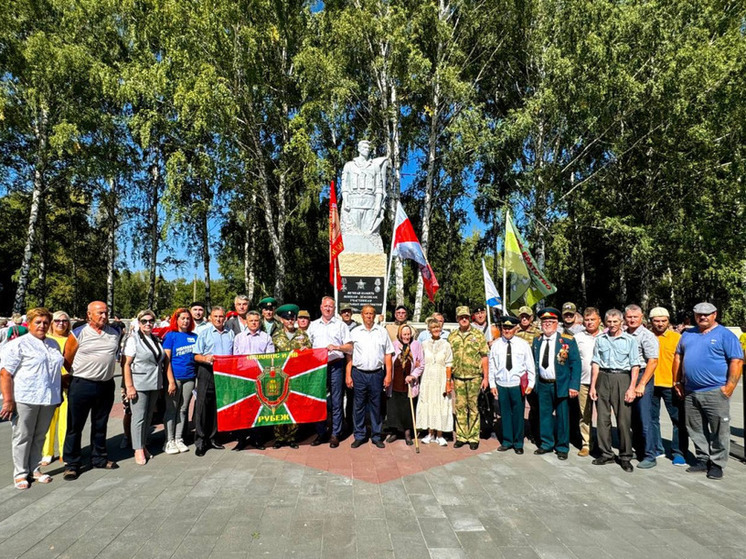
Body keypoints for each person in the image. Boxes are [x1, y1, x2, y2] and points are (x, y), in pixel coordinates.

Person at [673, 302, 743, 479]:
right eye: (699, 314)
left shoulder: (726, 336)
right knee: (695, 427)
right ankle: (703, 459)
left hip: (715, 391)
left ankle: (717, 463)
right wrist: (677, 381)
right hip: (690, 391)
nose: (702, 317)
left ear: (715, 314)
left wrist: (730, 387)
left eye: (707, 314)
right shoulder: (688, 334)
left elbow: (736, 362)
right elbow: (678, 356)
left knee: (719, 429)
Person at [0, 308, 63, 489]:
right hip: (25, 396)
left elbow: (55, 370)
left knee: (39, 435)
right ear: (29, 323)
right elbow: (5, 374)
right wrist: (8, 400)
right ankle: (20, 473)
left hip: (48, 397)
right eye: (38, 322)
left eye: (45, 322)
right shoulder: (18, 344)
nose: (42, 326)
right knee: (22, 436)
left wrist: (57, 393)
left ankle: (34, 469)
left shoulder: (53, 344)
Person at [62, 301, 121, 480]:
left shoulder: (115, 332)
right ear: (89, 315)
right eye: (99, 313)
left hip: (106, 385)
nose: (104, 316)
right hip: (82, 384)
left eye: (106, 312)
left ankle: (99, 458)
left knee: (100, 424)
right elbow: (67, 358)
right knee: (75, 426)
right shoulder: (78, 333)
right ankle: (72, 463)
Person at [590, 309, 641, 472]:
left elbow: (635, 365)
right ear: (605, 323)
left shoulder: (630, 340)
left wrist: (632, 387)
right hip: (603, 378)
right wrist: (593, 385)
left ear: (621, 322)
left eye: (615, 322)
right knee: (602, 419)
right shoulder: (600, 340)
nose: (612, 325)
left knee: (623, 420)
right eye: (609, 322)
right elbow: (596, 362)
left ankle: (625, 456)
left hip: (622, 378)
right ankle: (606, 453)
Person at [531, 308, 581, 460]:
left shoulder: (567, 340)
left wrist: (574, 386)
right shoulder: (537, 340)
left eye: (551, 322)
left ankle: (562, 447)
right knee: (544, 415)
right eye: (544, 322)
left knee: (562, 417)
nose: (547, 325)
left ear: (557, 323)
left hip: (561, 384)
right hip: (543, 384)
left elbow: (575, 364)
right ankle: (546, 443)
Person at [123, 309, 171, 465]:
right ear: (139, 323)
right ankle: (137, 449)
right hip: (139, 384)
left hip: (154, 383)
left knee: (149, 417)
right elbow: (127, 364)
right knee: (138, 417)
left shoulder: (156, 339)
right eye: (144, 321)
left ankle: (143, 445)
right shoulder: (133, 340)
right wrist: (129, 386)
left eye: (151, 321)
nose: (148, 324)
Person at [308, 296, 353, 448]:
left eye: (331, 307)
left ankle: (335, 433)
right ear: (321, 308)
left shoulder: (341, 326)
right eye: (325, 306)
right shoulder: (313, 325)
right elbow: (307, 346)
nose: (328, 308)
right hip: (318, 367)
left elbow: (350, 347)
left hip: (336, 365)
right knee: (318, 400)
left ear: (334, 309)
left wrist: (338, 347)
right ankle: (321, 433)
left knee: (336, 401)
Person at [347, 304, 393, 448]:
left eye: (371, 313)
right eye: (366, 313)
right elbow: (349, 355)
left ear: (374, 315)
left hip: (376, 374)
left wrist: (388, 375)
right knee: (358, 406)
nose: (368, 316)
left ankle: (376, 435)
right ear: (361, 315)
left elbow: (388, 355)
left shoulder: (381, 332)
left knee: (376, 406)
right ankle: (359, 435)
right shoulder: (355, 332)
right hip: (359, 374)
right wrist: (348, 375)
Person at [489, 316, 535, 454]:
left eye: (510, 328)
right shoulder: (496, 345)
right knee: (505, 414)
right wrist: (492, 384)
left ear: (516, 328)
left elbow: (530, 365)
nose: (507, 330)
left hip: (517, 384)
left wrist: (531, 383)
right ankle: (507, 441)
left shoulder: (523, 344)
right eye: (505, 328)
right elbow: (492, 366)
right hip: (502, 384)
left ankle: (518, 442)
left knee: (518, 413)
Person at [193, 306, 235, 456]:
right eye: (216, 316)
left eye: (221, 316)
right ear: (210, 318)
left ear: (225, 318)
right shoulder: (204, 334)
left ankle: (213, 438)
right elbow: (196, 355)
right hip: (207, 371)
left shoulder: (230, 333)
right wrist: (205, 358)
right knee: (203, 406)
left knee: (218, 406)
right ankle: (200, 441)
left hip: (224, 374)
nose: (218, 319)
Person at [648, 307, 687, 466]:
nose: (660, 324)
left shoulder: (677, 338)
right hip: (651, 384)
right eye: (656, 321)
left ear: (668, 321)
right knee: (652, 419)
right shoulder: (647, 336)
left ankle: (678, 452)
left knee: (678, 420)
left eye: (663, 321)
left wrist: (679, 382)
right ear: (651, 322)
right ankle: (657, 448)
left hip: (671, 385)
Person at [232, 310, 274, 451]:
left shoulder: (266, 337)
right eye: (251, 321)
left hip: (260, 379)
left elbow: (270, 359)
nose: (254, 323)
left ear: (260, 321)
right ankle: (242, 440)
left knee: (258, 409)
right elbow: (236, 358)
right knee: (243, 409)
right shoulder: (239, 338)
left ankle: (257, 439)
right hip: (243, 378)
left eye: (256, 320)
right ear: (247, 322)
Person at [625, 304, 660, 469]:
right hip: (627, 375)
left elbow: (653, 361)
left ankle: (649, 455)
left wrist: (641, 384)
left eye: (635, 317)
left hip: (642, 376)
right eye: (629, 317)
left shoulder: (647, 335)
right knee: (632, 419)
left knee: (644, 418)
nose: (632, 320)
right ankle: (638, 449)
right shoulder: (624, 333)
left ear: (641, 317)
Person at [450, 306, 489, 450]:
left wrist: (486, 377)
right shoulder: (452, 336)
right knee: (460, 407)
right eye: (461, 317)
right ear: (457, 319)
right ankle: (461, 436)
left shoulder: (478, 335)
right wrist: (450, 379)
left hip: (474, 378)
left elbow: (484, 357)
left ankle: (473, 437)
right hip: (458, 377)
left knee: (473, 408)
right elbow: (449, 359)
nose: (464, 319)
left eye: (466, 317)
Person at [271, 304, 308, 449]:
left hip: (297, 377)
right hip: (280, 377)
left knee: (294, 407)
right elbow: (270, 357)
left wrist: (306, 351)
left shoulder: (303, 335)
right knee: (279, 406)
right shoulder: (276, 337)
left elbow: (310, 354)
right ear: (281, 320)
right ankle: (279, 437)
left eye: (292, 317)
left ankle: (292, 436)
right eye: (287, 318)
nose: (290, 320)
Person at [162, 308, 198, 454]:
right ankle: (169, 440)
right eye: (182, 318)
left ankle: (179, 438)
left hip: (189, 377)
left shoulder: (194, 336)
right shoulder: (171, 336)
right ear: (176, 319)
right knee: (172, 409)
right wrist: (170, 380)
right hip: (175, 378)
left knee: (183, 409)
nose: (185, 321)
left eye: (188, 318)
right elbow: (166, 360)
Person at [40, 310, 73, 465]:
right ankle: (47, 452)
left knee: (65, 420)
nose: (61, 324)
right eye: (57, 321)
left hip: (67, 384)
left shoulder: (71, 339)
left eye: (65, 321)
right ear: (52, 323)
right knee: (48, 419)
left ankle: (63, 451)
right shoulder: (46, 339)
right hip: (49, 385)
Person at [416, 318, 454, 446]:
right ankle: (430, 433)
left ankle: (440, 434)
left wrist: (448, 382)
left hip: (441, 377)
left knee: (441, 404)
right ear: (429, 329)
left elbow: (449, 363)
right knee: (428, 402)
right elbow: (419, 360)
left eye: (438, 327)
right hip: (427, 378)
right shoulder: (424, 344)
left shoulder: (446, 344)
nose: (436, 330)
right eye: (433, 328)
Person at [384, 324, 423, 445]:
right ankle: (395, 431)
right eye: (404, 334)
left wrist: (413, 375)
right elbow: (387, 360)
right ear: (400, 335)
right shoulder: (394, 344)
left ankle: (407, 433)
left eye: (408, 334)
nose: (406, 337)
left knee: (407, 408)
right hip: (395, 382)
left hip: (409, 383)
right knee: (394, 407)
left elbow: (421, 364)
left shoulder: (416, 345)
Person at [572, 307, 602, 456]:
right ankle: (586, 443)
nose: (590, 322)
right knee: (585, 414)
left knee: (604, 415)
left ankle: (603, 445)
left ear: (599, 320)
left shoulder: (606, 335)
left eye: (593, 319)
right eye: (587, 320)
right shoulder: (578, 337)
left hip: (602, 382)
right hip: (583, 381)